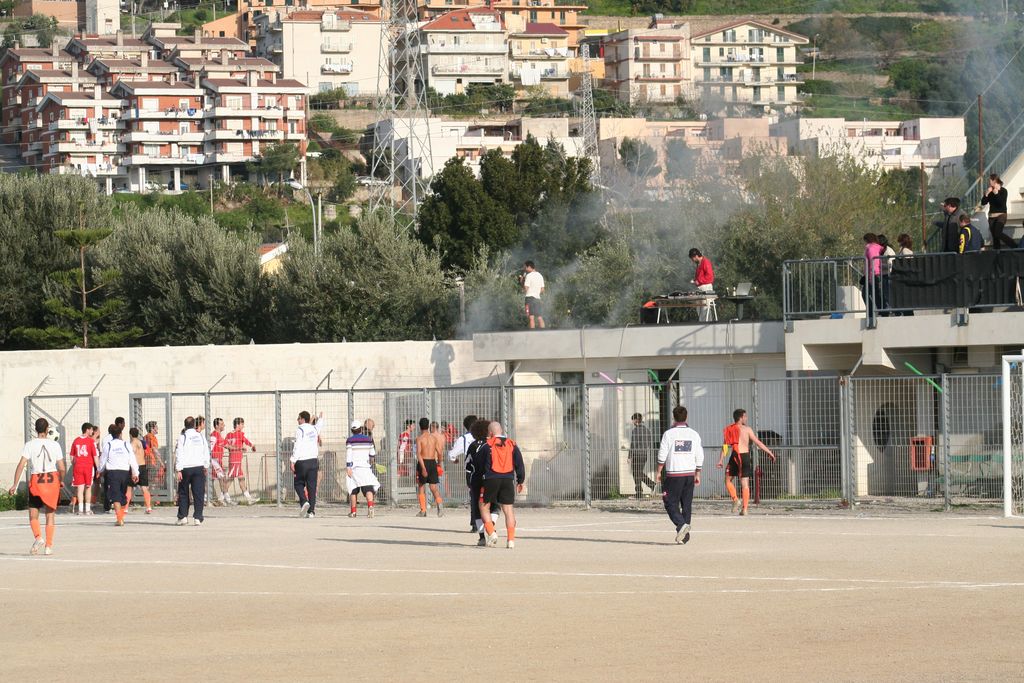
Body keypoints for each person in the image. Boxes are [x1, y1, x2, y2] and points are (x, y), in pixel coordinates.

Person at [9, 418, 66, 555]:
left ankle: (38, 537)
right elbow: (62, 468)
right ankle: (48, 546)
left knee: (33, 514)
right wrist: (61, 480)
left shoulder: (30, 445)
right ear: (47, 430)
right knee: (50, 515)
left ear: (36, 429)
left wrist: (15, 484)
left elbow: (21, 465)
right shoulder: (55, 445)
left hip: (37, 481)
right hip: (51, 481)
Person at [656, 405, 703, 545]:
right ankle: (684, 536)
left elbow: (662, 454)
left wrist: (658, 471)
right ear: (686, 417)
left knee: (669, 501)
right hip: (689, 474)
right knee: (686, 504)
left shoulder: (669, 434)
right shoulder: (694, 434)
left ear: (674, 417)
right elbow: (699, 454)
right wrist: (698, 473)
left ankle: (681, 525)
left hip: (674, 474)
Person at [717, 409, 776, 516]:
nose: (746, 418)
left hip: (735, 456)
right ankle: (744, 509)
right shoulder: (747, 429)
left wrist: (721, 459)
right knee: (745, 484)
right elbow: (758, 442)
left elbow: (725, 446)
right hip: (745, 457)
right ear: (740, 418)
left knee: (728, 480)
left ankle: (735, 499)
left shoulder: (730, 429)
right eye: (745, 416)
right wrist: (769, 452)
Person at [478, 421, 526, 549]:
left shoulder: (487, 445)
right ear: (502, 431)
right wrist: (520, 480)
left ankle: (491, 532)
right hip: (508, 479)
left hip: (491, 479)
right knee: (508, 510)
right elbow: (519, 464)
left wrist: (479, 480)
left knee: (483, 506)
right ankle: (510, 540)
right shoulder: (512, 444)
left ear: (490, 433)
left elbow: (480, 465)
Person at [465, 419, 499, 546]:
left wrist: (468, 481)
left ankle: (482, 538)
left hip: (475, 480)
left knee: (477, 509)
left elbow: (468, 466)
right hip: (490, 478)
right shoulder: (491, 444)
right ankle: (491, 528)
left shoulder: (472, 446)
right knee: (494, 505)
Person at [99, 423, 139, 527]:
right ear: (121, 433)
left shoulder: (108, 445)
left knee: (116, 496)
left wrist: (100, 470)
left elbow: (103, 460)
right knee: (122, 495)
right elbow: (132, 459)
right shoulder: (126, 444)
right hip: (125, 472)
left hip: (113, 473)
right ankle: (121, 518)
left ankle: (119, 519)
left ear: (111, 435)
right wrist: (135, 472)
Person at [175, 416, 211, 526]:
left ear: (185, 425)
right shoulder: (200, 436)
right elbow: (206, 451)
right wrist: (206, 465)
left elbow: (179, 453)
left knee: (183, 492)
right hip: (198, 467)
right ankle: (197, 518)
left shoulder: (183, 437)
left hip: (186, 468)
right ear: (194, 424)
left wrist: (178, 469)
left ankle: (183, 517)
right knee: (198, 493)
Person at [447, 414, 478, 531]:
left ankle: (475, 524)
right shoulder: (486, 436)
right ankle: (489, 521)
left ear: (465, 426)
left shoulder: (463, 439)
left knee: (474, 496)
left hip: (472, 472)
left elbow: (452, 455)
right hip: (487, 470)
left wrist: (454, 460)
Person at [291, 411, 324, 518]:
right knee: (312, 487)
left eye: (298, 418)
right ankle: (311, 511)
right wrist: (320, 418)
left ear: (303, 419)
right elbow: (319, 426)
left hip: (302, 461)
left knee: (298, 483)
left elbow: (297, 445)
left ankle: (304, 501)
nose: (297, 420)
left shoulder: (300, 429)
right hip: (313, 461)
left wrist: (293, 460)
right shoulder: (314, 429)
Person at [345, 420, 379, 518]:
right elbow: (372, 454)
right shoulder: (368, 440)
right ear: (361, 429)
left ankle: (353, 512)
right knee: (368, 488)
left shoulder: (350, 440)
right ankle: (370, 506)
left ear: (352, 430)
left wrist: (348, 467)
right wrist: (371, 461)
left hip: (354, 468)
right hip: (365, 467)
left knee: (353, 489)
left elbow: (349, 455)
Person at [415, 417, 444, 517]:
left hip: (423, 462)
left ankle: (423, 510)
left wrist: (423, 468)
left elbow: (418, 454)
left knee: (421, 486)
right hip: (432, 462)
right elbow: (439, 452)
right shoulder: (434, 438)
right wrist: (439, 463)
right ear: (428, 426)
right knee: (433, 487)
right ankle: (440, 506)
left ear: (420, 427)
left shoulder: (419, 439)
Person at [224, 417, 257, 505]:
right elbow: (246, 441)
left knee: (241, 479)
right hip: (236, 460)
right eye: (242, 424)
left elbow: (226, 445)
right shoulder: (239, 434)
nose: (243, 426)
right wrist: (252, 446)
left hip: (233, 460)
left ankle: (249, 499)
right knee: (230, 479)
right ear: (237, 425)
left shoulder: (229, 434)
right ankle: (222, 498)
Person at [70, 422, 98, 515]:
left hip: (78, 467)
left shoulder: (76, 440)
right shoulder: (90, 441)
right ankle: (88, 509)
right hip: (88, 467)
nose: (92, 432)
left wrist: (75, 464)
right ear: (87, 430)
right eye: (91, 430)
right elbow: (95, 456)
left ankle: (80, 510)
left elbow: (71, 456)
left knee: (80, 488)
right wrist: (98, 468)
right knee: (88, 488)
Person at [981, 174, 1016, 249]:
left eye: (990, 180)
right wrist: (986, 193)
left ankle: (1014, 246)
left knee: (997, 233)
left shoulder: (1003, 191)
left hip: (1001, 215)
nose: (989, 182)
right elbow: (983, 203)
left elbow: (1001, 204)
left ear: (994, 180)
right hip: (991, 216)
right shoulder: (990, 191)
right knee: (995, 236)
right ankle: (997, 251)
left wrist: (996, 193)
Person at [628, 413, 657, 499]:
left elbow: (633, 444)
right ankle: (650, 485)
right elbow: (649, 443)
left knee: (636, 473)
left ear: (636, 420)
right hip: (644, 455)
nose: (632, 422)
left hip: (637, 454)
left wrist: (629, 456)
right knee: (638, 473)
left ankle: (640, 492)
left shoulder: (635, 430)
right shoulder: (647, 430)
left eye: (633, 420)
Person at [100, 416, 125, 513]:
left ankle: (108, 506)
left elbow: (103, 454)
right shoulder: (116, 440)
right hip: (116, 466)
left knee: (108, 486)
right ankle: (116, 505)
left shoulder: (105, 439)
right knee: (115, 487)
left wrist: (101, 468)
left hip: (109, 466)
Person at [208, 418, 230, 506]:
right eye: (222, 424)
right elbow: (209, 449)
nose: (224, 425)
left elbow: (227, 445)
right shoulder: (213, 436)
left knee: (215, 479)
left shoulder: (220, 436)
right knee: (221, 478)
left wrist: (239, 448)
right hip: (214, 461)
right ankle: (225, 499)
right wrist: (213, 461)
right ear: (217, 426)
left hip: (218, 462)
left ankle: (220, 499)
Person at [688, 248, 715, 321]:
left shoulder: (705, 262)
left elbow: (710, 277)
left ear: (696, 256)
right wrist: (695, 280)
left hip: (706, 288)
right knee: (699, 309)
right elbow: (701, 276)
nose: (692, 260)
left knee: (705, 308)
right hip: (700, 289)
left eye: (692, 258)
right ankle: (701, 323)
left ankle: (707, 324)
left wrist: (699, 281)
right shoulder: (699, 264)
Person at [142, 421, 164, 510]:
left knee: (148, 483)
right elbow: (154, 450)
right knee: (154, 482)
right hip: (152, 462)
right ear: (152, 429)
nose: (157, 428)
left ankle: (148, 501)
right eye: (156, 427)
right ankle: (153, 501)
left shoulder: (145, 437)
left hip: (145, 461)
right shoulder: (152, 437)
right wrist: (161, 462)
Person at [862, 233, 883, 316]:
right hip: (874, 274)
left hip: (873, 274)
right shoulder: (876, 247)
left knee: (866, 294)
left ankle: (873, 313)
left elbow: (873, 262)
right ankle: (880, 311)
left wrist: (870, 277)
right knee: (875, 294)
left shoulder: (871, 248)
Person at [522, 260, 546, 329]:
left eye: (525, 267)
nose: (524, 269)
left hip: (529, 299)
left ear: (529, 267)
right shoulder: (540, 276)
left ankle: (532, 333)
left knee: (531, 317)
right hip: (537, 298)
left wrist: (522, 282)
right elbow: (542, 289)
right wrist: (536, 292)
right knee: (539, 317)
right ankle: (544, 332)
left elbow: (526, 288)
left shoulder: (529, 275)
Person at [128, 427, 147, 511]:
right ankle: (148, 507)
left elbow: (132, 454)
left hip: (136, 466)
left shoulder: (132, 443)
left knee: (129, 487)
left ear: (130, 435)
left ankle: (125, 508)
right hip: (143, 465)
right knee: (144, 487)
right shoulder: (141, 442)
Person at [877, 234, 896, 316]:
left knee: (888, 293)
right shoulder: (882, 251)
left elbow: (891, 264)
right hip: (884, 275)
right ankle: (886, 309)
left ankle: (893, 310)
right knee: (884, 293)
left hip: (889, 275)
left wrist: (879, 265)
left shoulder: (888, 251)